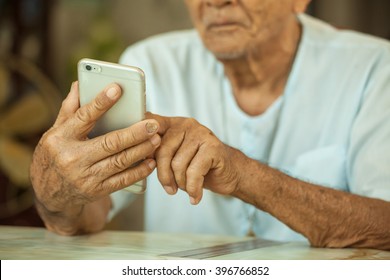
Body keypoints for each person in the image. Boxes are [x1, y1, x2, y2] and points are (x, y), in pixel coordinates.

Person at [30, 0, 390, 250]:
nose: (216, 3)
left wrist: (243, 175)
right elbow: (92, 211)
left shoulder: (374, 67)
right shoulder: (151, 63)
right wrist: (57, 190)